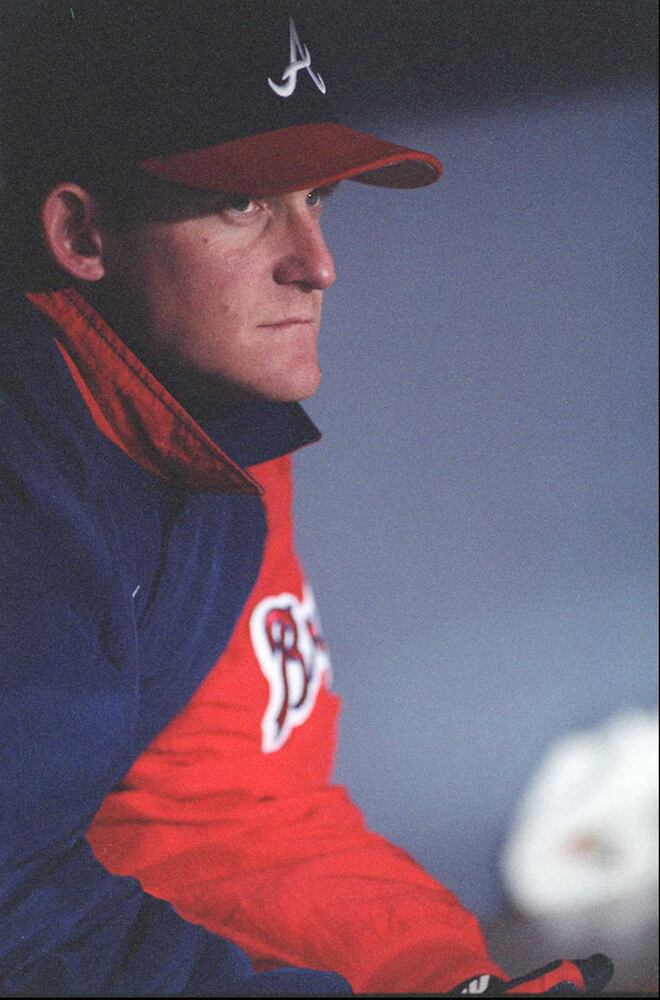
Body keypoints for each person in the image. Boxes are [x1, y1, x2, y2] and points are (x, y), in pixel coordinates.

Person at [0, 2, 613, 995]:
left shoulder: (205, 415)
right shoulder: (27, 487)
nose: (318, 264)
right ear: (81, 231)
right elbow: (17, 914)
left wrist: (443, 976)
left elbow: (237, 817)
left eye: (317, 198)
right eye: (243, 205)